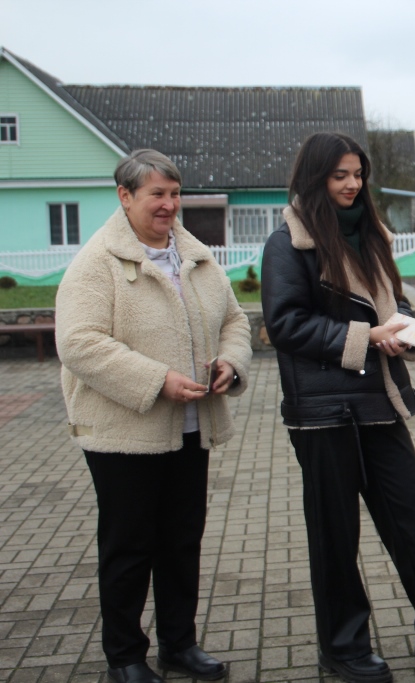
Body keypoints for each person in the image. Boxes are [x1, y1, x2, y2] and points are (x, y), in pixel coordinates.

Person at [260, 132, 415, 683]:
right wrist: (366, 338)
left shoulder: (373, 239)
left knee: (414, 521)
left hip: (381, 403)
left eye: (358, 174)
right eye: (340, 175)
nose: (352, 184)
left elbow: (388, 308)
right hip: (322, 415)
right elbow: (285, 324)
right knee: (335, 536)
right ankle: (343, 647)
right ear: (315, 178)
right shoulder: (288, 245)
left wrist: (408, 331)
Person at [55, 149, 252, 683]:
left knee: (182, 540)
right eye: (156, 195)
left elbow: (235, 320)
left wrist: (230, 365)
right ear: (125, 197)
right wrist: (156, 380)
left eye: (174, 193)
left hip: (191, 429)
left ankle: (179, 644)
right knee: (129, 545)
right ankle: (125, 655)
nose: (169, 205)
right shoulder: (97, 262)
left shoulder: (195, 255)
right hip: (125, 435)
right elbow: (78, 343)